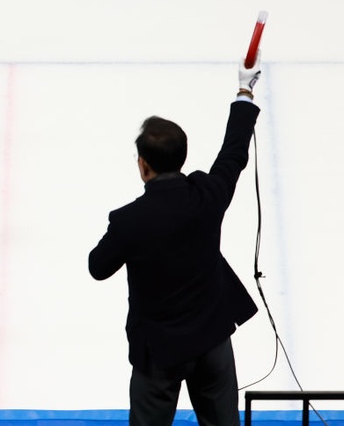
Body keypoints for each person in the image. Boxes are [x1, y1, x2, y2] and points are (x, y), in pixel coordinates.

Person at [88, 52, 263, 426]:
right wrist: (244, 91)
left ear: (143, 165)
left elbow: (98, 267)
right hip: (212, 341)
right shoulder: (207, 194)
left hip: (159, 352)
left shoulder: (128, 221)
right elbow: (233, 154)